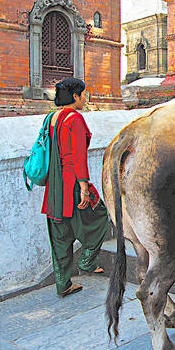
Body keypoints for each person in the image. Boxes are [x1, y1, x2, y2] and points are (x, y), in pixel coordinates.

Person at [41, 78, 109, 297]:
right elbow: (78, 156)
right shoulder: (75, 119)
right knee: (99, 216)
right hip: (71, 182)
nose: (84, 98)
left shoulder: (51, 118)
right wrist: (83, 187)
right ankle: (88, 261)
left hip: (54, 187)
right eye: (82, 94)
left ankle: (63, 284)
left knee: (60, 234)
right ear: (74, 97)